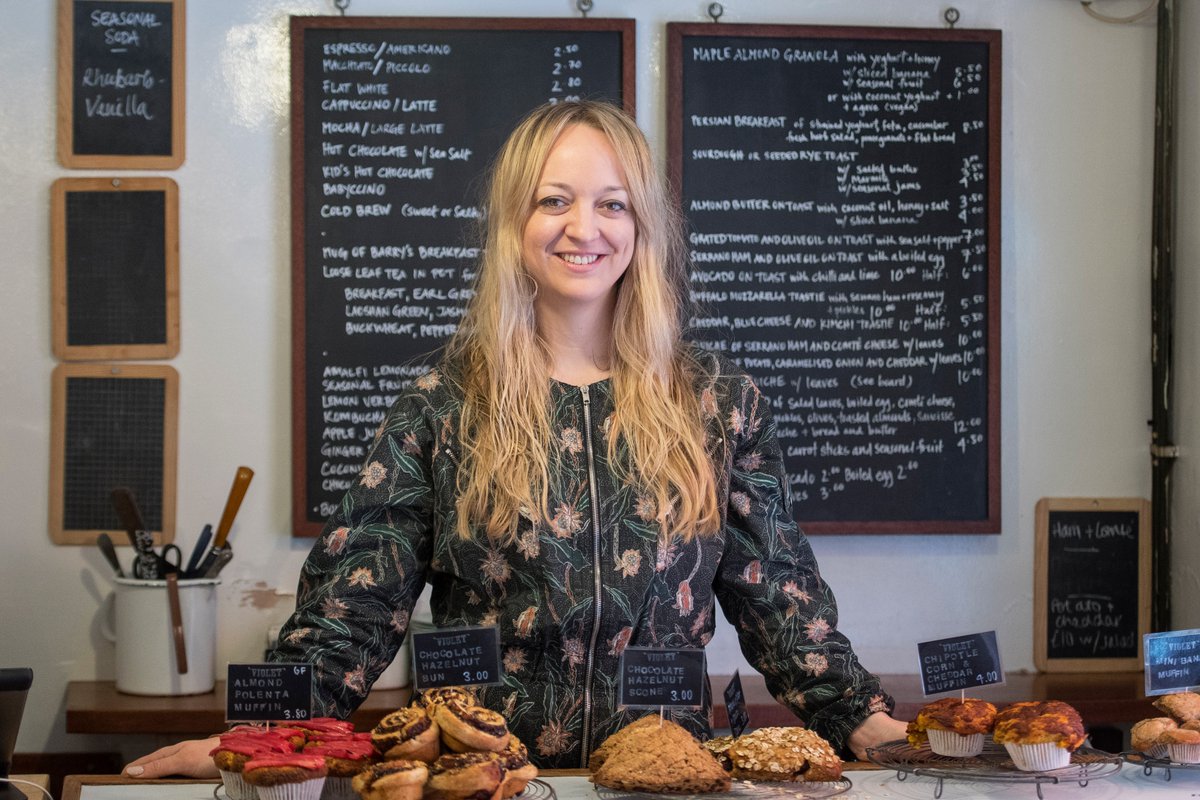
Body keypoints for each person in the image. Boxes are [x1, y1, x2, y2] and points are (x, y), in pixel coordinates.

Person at [124, 99, 906, 779]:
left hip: (668, 777)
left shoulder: (718, 404)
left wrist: (864, 719)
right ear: (513, 224)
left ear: (643, 226)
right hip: (486, 781)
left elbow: (780, 599)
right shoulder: (439, 406)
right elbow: (351, 610)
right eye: (553, 201)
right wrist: (260, 738)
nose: (583, 229)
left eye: (613, 205)